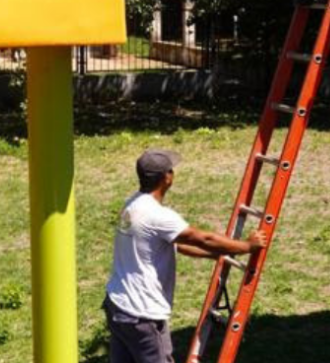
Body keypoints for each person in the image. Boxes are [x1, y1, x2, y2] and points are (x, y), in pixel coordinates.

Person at [103, 149, 268, 363]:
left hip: (118, 305)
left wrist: (216, 254)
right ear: (167, 178)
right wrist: (246, 245)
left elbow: (174, 245)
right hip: (141, 315)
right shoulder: (158, 215)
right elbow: (202, 238)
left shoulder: (132, 204)